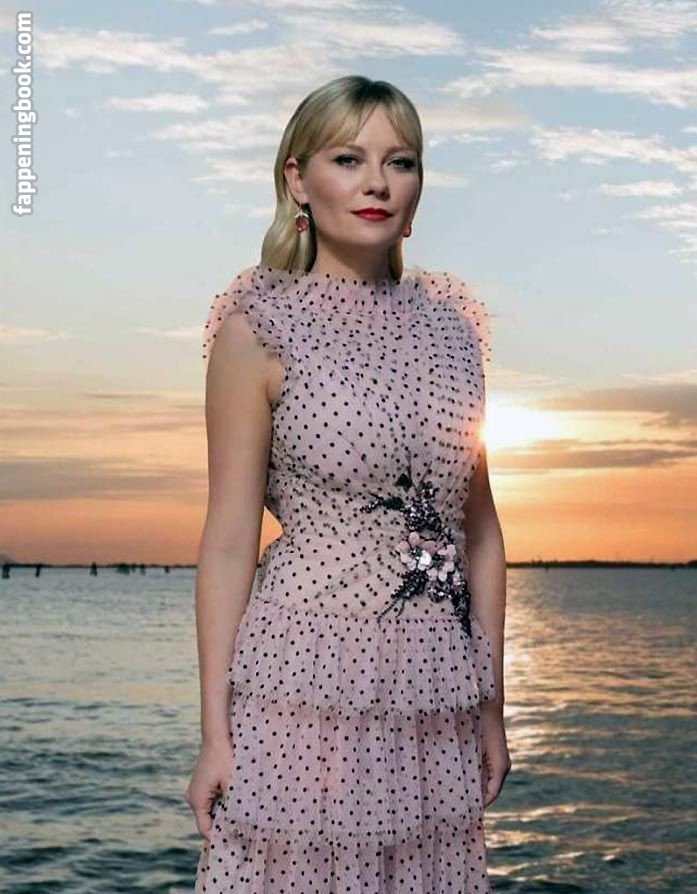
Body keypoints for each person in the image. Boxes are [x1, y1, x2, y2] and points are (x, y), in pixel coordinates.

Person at [186, 74, 510, 893]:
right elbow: (228, 542)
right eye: (347, 158)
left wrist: (491, 707)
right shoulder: (259, 330)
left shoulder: (452, 333)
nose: (377, 183)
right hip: (302, 678)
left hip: (434, 690)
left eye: (399, 162)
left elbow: (479, 534)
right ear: (297, 179)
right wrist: (214, 732)